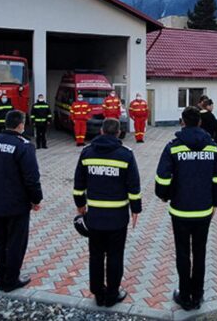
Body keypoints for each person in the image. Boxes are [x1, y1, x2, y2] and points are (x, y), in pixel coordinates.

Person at [155, 106, 217, 311]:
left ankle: (184, 295)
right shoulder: (212, 146)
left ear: (182, 122)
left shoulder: (173, 147)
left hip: (180, 211)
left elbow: (162, 177)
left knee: (183, 253)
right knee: (200, 252)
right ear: (200, 122)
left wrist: (164, 196)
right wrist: (215, 202)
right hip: (204, 211)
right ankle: (198, 294)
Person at [72, 118, 141, 307]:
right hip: (118, 217)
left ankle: (98, 293)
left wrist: (80, 205)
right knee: (115, 256)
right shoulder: (125, 154)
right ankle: (112, 294)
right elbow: (133, 186)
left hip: (94, 217)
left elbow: (79, 184)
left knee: (95, 256)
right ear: (118, 133)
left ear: (102, 131)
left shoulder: (87, 152)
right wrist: (136, 209)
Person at [0, 110, 43, 292]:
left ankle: (2, 278)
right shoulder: (24, 146)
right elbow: (31, 178)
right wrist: (36, 199)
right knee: (16, 242)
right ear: (20, 125)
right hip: (17, 205)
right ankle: (11, 280)